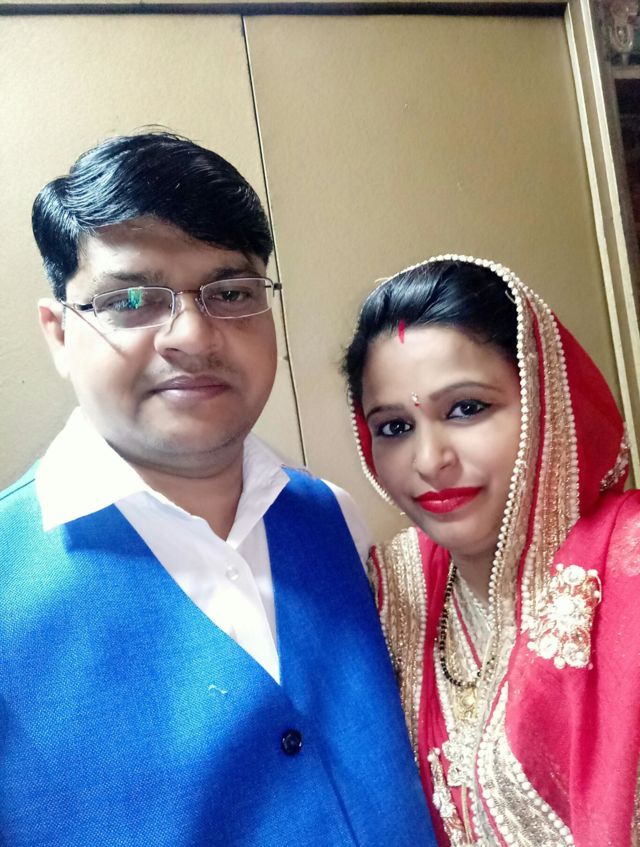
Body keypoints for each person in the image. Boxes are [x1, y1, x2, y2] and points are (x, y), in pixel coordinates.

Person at [0, 132, 436, 847]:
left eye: (230, 293)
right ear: (57, 334)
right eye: (132, 299)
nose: (193, 336)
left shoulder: (335, 520)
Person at [343, 253, 640, 847]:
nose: (431, 461)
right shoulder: (392, 591)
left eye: (467, 409)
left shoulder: (628, 565)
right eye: (395, 427)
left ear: (542, 403)